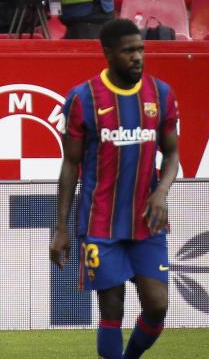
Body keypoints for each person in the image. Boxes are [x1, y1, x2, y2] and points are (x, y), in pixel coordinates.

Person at [49, 19, 179, 359]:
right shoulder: (83, 98)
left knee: (157, 305)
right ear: (108, 53)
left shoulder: (161, 94)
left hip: (146, 222)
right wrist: (61, 228)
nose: (138, 57)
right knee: (112, 310)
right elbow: (70, 166)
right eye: (129, 51)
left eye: (140, 50)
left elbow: (173, 153)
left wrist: (161, 192)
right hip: (99, 224)